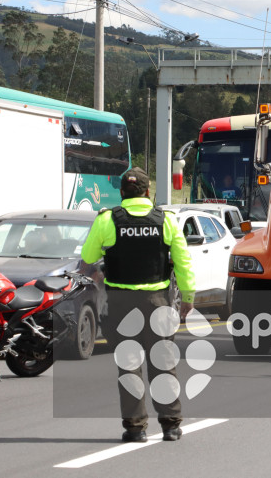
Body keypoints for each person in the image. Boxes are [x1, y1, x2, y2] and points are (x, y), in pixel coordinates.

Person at [81, 167, 195, 443]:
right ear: (148, 192)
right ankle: (170, 426)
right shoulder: (165, 220)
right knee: (163, 363)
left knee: (129, 365)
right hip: (157, 301)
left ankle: (135, 428)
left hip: (120, 303)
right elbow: (183, 263)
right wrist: (188, 298)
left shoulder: (107, 220)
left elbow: (88, 257)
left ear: (121, 192)